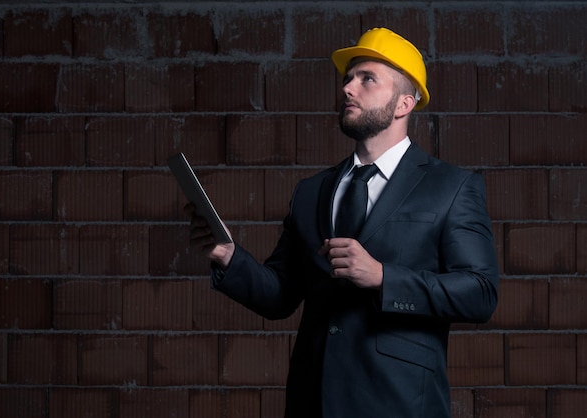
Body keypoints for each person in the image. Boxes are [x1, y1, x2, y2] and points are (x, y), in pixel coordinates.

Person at [185, 27, 499, 418]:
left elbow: (481, 293)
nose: (349, 88)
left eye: (367, 79)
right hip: (313, 400)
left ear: (404, 103)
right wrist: (230, 257)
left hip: (399, 404)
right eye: (348, 78)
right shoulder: (312, 192)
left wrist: (384, 277)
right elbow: (280, 295)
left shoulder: (451, 187)